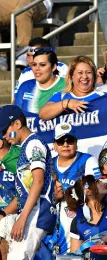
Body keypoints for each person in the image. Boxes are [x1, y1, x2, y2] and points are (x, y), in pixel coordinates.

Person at [0, 105, 56, 259]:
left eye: (5, 131)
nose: (4, 136)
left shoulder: (34, 144)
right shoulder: (26, 145)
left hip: (37, 213)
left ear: (17, 124)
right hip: (30, 212)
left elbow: (38, 182)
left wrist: (22, 218)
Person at [39, 56, 104, 120]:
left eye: (89, 72)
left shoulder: (102, 96)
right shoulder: (62, 96)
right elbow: (43, 114)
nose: (84, 76)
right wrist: (66, 103)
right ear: (71, 76)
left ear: (94, 76)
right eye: (80, 73)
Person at [14, 48, 65, 114]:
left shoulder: (66, 85)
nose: (37, 68)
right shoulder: (25, 86)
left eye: (42, 65)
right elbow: (16, 115)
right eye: (34, 64)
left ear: (53, 67)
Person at [52, 123, 101, 191]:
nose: (65, 145)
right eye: (60, 141)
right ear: (54, 144)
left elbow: (97, 189)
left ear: (76, 142)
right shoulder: (48, 164)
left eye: (70, 140)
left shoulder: (88, 160)